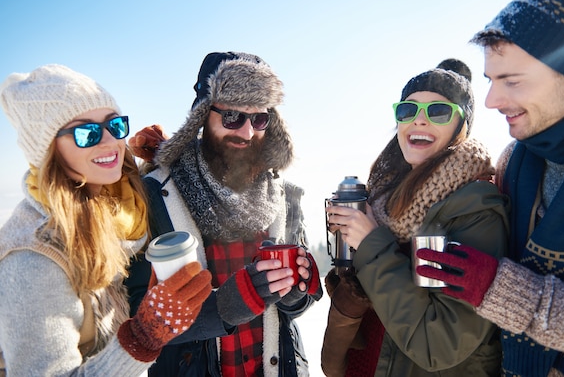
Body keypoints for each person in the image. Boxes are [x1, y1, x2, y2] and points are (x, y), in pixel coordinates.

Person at [416, 0, 564, 376]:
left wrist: (501, 290)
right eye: (491, 81)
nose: (492, 101)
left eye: (512, 81)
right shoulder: (514, 160)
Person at [0, 64, 212, 376]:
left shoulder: (114, 205)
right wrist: (142, 338)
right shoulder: (35, 258)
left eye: (114, 124)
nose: (109, 142)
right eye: (87, 133)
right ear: (48, 151)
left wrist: (166, 158)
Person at [127, 51, 323, 376]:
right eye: (232, 117)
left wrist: (298, 291)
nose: (247, 133)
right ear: (202, 115)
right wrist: (224, 307)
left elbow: (291, 310)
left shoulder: (284, 196)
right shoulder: (156, 196)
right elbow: (134, 313)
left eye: (259, 119)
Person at [321, 59, 509, 376]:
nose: (420, 121)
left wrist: (371, 244)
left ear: (462, 126)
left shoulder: (476, 207)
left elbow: (439, 343)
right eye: (408, 111)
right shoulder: (384, 198)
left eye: (438, 112)